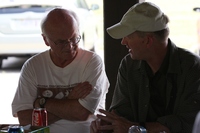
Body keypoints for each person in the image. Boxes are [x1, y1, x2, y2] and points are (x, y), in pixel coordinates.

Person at [90, 2, 200, 133]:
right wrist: (105, 124)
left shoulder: (192, 67)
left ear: (148, 40)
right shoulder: (128, 65)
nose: (123, 41)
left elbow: (188, 123)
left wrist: (135, 128)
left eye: (128, 36)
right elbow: (120, 115)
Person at [11, 8, 109, 133]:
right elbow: (24, 119)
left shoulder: (92, 62)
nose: (70, 46)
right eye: (61, 42)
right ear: (46, 40)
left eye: (74, 38)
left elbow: (81, 113)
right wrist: (69, 100)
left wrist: (42, 103)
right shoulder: (33, 66)